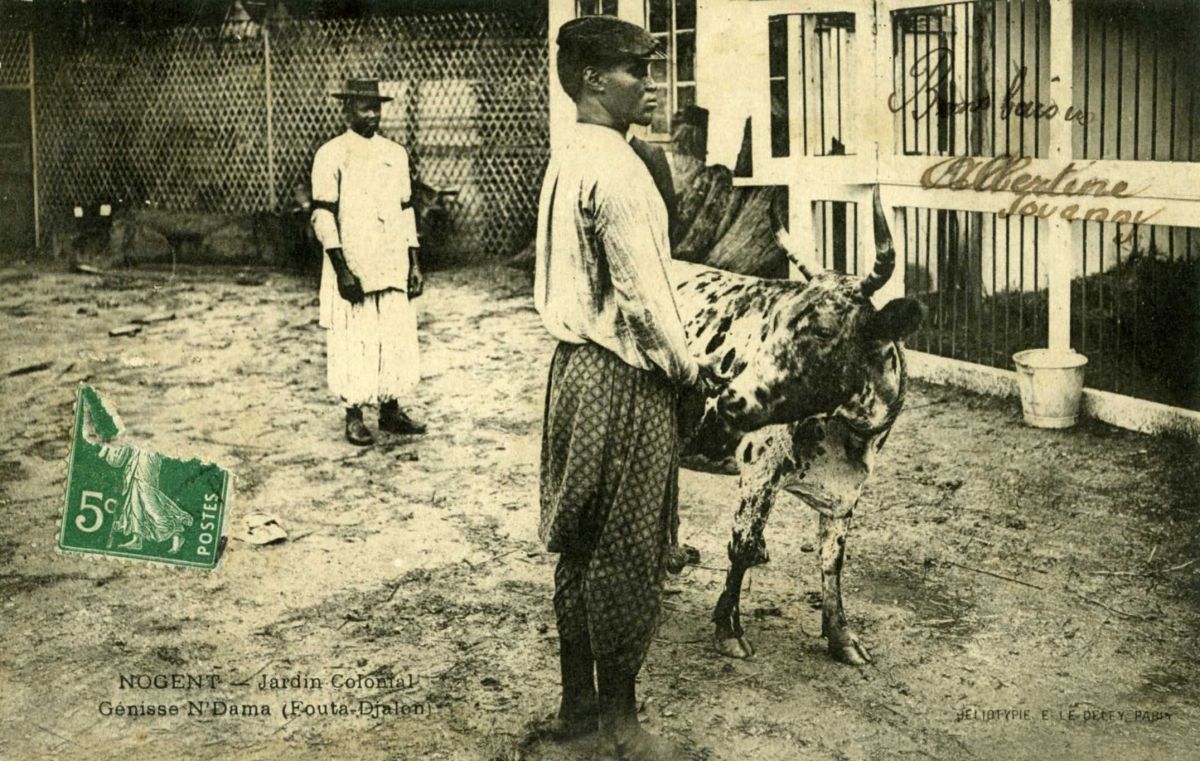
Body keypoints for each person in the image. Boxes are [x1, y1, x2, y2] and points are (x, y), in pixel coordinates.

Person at [533, 16, 717, 760]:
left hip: (573, 374)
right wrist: (689, 373)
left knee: (579, 542)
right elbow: (645, 303)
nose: (650, 84)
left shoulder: (569, 155)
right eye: (635, 71)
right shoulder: (617, 171)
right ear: (591, 79)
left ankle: (579, 709)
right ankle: (621, 723)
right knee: (628, 549)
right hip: (624, 378)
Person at [311, 78, 426, 446]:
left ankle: (390, 410)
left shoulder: (395, 154)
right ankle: (354, 415)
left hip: (391, 260)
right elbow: (322, 214)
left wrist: (414, 263)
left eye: (376, 107)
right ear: (347, 111)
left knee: (393, 334)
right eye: (364, 107)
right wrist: (342, 269)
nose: (372, 114)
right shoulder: (332, 153)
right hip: (354, 263)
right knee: (354, 337)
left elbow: (406, 210)